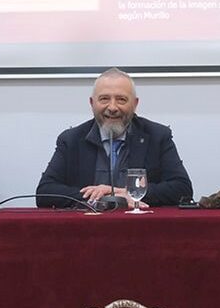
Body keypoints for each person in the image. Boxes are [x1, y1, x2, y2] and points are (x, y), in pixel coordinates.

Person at [36, 68, 193, 209]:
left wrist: (126, 193)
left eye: (121, 99)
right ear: (92, 103)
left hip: (140, 228)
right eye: (104, 99)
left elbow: (182, 188)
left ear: (135, 103)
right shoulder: (71, 140)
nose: (112, 107)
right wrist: (100, 198)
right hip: (86, 229)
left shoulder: (157, 136)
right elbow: (45, 192)